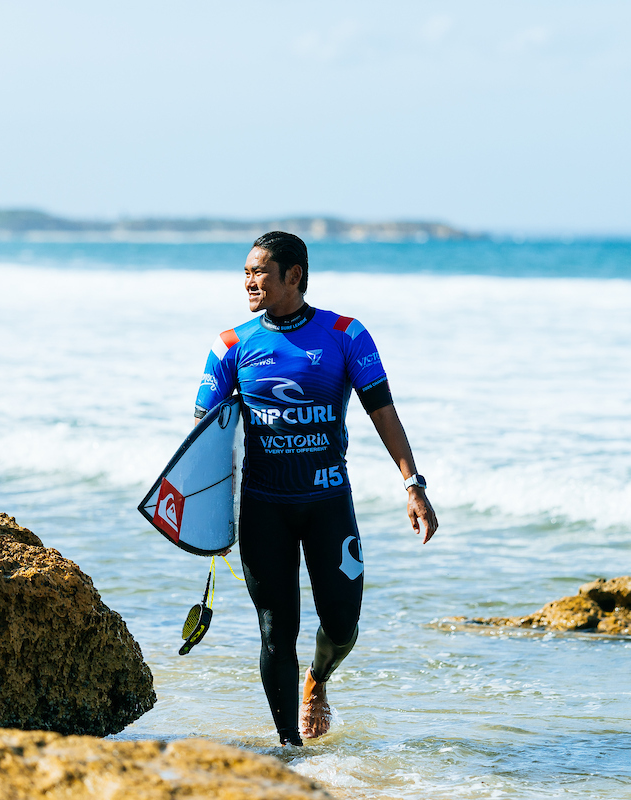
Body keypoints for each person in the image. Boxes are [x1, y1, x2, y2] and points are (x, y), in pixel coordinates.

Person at [194, 231, 438, 747]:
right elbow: (204, 438)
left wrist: (413, 484)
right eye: (245, 273)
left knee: (343, 624)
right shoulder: (231, 345)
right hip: (264, 507)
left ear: (294, 275)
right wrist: (208, 519)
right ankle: (290, 748)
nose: (249, 282)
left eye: (259, 272)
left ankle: (318, 678)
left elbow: (383, 413)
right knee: (275, 631)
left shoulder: (346, 335)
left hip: (328, 503)